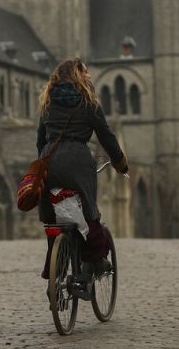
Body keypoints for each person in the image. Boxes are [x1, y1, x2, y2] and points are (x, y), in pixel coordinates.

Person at [36, 59, 128, 279]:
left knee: (52, 217)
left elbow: (40, 140)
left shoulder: (48, 103)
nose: (88, 75)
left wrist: (42, 162)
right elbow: (106, 137)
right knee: (90, 213)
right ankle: (96, 259)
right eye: (84, 72)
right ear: (76, 75)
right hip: (78, 161)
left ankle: (55, 263)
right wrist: (120, 163)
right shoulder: (89, 103)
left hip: (49, 160)